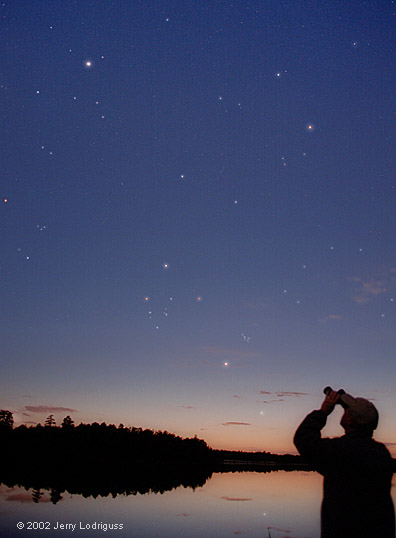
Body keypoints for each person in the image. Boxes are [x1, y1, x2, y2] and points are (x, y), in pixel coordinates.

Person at [294, 389, 395, 538]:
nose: (344, 412)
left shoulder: (341, 451)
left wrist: (323, 412)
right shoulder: (381, 453)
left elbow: (304, 438)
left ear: (349, 420)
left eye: (347, 410)